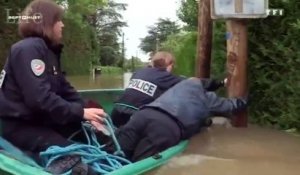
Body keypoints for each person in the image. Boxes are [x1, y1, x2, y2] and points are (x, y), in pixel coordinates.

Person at [0, 0, 104, 174]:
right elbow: (39, 99)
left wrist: (89, 113)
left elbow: (66, 90)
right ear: (47, 22)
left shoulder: (48, 52)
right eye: (59, 20)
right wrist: (80, 113)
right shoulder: (28, 49)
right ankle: (31, 157)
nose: (62, 25)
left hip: (43, 121)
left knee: (97, 138)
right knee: (78, 159)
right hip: (24, 128)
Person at [103, 77, 247, 162]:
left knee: (113, 155)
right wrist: (249, 98)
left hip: (144, 114)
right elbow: (233, 105)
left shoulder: (184, 84)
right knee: (139, 163)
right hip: (167, 127)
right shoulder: (209, 100)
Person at [110, 51, 184, 127]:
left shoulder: (138, 72)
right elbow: (191, 83)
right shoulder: (168, 77)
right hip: (136, 116)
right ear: (170, 65)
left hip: (116, 111)